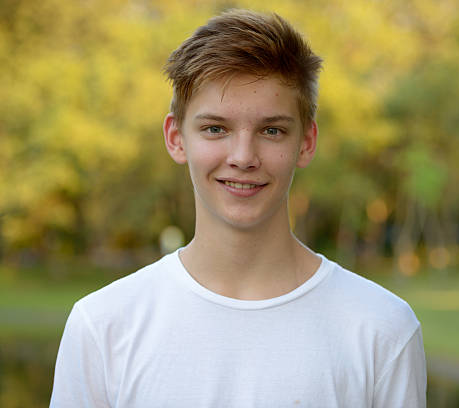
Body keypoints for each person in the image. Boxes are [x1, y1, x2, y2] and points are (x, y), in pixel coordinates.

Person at [50, 9, 426, 407]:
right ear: (176, 138)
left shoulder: (381, 329)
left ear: (306, 142)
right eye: (216, 128)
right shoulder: (103, 327)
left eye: (271, 130)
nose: (243, 156)